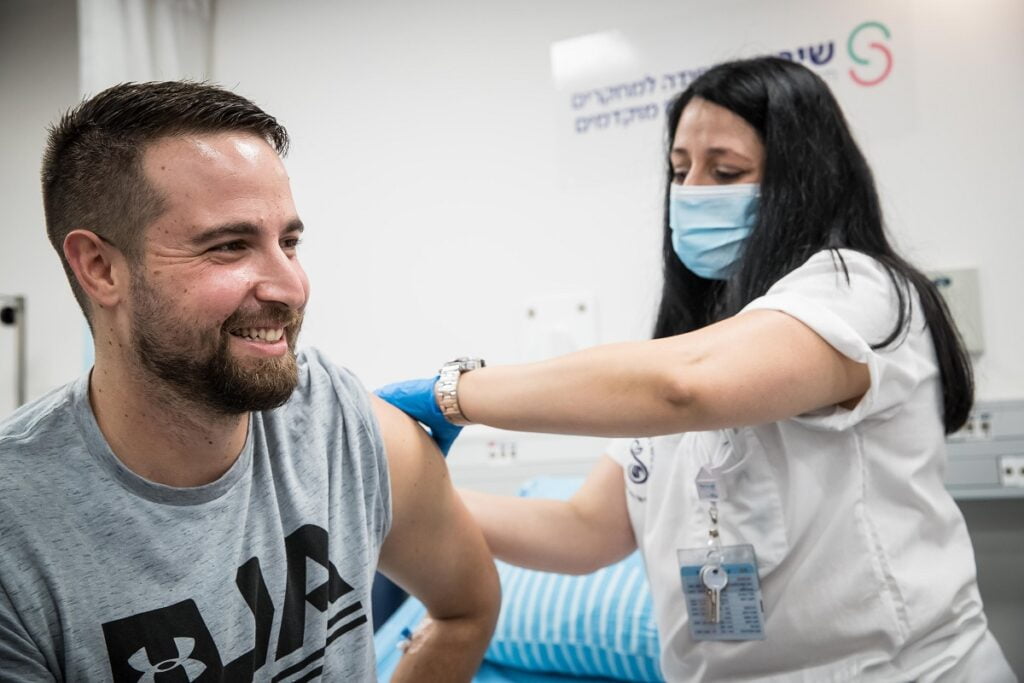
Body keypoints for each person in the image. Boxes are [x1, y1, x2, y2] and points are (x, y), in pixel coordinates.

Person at [378, 58, 1016, 681]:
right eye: (680, 170)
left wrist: (453, 391)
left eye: (725, 170)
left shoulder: (855, 289)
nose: (690, 193)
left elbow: (684, 386)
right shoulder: (689, 344)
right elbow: (581, 533)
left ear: (804, 179)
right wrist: (398, 498)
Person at [0, 81, 499, 681]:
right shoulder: (17, 531)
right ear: (101, 268)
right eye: (230, 246)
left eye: (289, 242)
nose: (291, 287)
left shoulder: (340, 422)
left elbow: (466, 608)